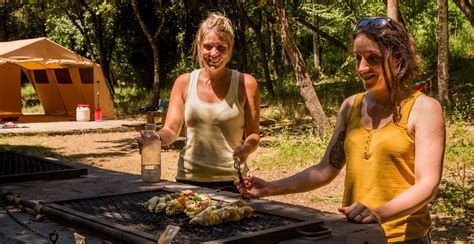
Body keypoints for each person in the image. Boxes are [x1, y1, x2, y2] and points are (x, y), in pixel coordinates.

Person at [235, 16, 445, 243]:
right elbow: (326, 169)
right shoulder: (350, 106)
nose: (362, 68)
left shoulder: (424, 109)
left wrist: (379, 213)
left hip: (406, 237)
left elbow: (428, 184)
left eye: (373, 59)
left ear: (398, 59)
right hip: (358, 235)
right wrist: (270, 188)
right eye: (358, 58)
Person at [140, 12, 260, 192]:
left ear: (231, 47)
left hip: (232, 181)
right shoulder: (183, 82)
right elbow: (171, 129)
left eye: (221, 47)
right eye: (208, 46)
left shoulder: (246, 83)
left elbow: (254, 134)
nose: (214, 53)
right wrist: (156, 138)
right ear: (199, 46)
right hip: (188, 181)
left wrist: (246, 149)